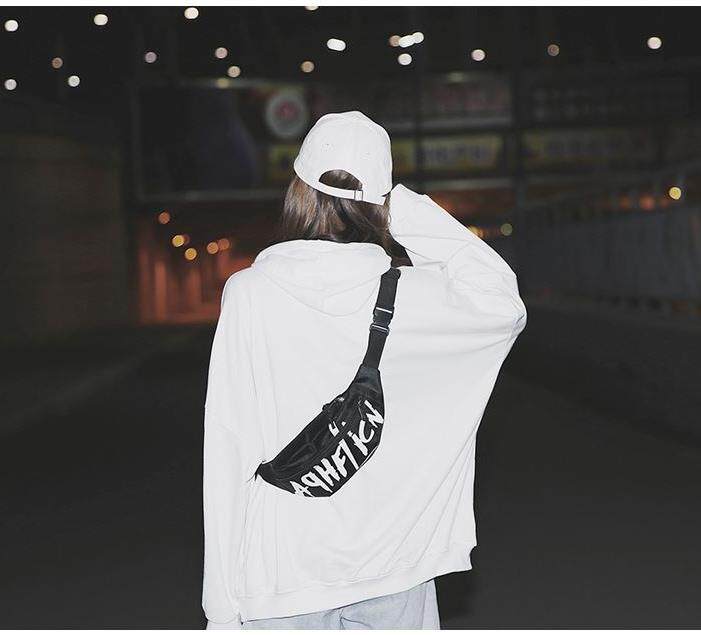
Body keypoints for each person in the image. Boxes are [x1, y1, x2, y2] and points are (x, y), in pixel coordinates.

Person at [202, 111, 527, 629]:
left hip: (285, 574)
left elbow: (228, 447)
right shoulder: (418, 296)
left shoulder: (250, 294)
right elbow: (502, 299)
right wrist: (399, 206)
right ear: (381, 201)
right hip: (396, 568)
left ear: (298, 190)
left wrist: (220, 607)